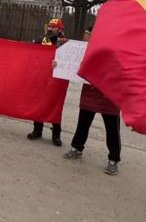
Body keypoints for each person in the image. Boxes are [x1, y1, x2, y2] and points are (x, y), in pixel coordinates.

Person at [63, 28, 124, 175]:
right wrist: (59, 64)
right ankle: (77, 148)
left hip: (109, 94)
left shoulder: (118, 48)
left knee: (112, 129)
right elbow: (71, 65)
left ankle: (113, 159)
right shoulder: (86, 49)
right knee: (83, 123)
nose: (85, 38)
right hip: (90, 91)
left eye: (87, 35)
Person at [28, 18, 67, 146]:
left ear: (60, 29)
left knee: (55, 105)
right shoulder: (41, 40)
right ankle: (37, 130)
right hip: (42, 77)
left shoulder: (65, 44)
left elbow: (70, 62)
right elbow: (31, 54)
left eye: (53, 27)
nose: (50, 29)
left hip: (57, 80)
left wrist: (60, 63)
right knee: (39, 103)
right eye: (49, 26)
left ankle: (56, 134)